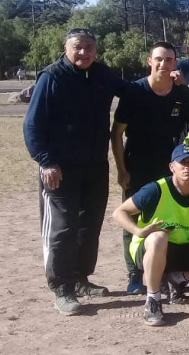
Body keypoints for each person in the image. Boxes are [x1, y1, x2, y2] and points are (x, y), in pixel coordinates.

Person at [24, 28, 130, 315]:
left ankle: (81, 279)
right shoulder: (52, 77)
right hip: (60, 169)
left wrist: (167, 80)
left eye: (89, 48)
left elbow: (131, 91)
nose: (83, 53)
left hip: (95, 167)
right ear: (66, 48)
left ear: (96, 50)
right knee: (63, 229)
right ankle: (62, 289)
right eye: (78, 47)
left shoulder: (102, 74)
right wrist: (46, 161)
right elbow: (32, 126)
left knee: (89, 225)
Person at [111, 41, 189, 293]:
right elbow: (116, 133)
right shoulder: (134, 91)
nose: (163, 64)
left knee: (166, 219)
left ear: (175, 63)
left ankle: (161, 270)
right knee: (133, 215)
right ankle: (134, 275)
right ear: (149, 61)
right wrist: (121, 169)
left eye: (169, 60)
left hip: (169, 166)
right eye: (158, 59)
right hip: (136, 165)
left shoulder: (182, 94)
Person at [112, 144, 189, 326]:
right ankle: (153, 299)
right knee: (159, 237)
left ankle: (178, 278)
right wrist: (138, 231)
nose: (187, 167)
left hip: (181, 249)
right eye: (183, 163)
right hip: (149, 249)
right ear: (172, 166)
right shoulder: (156, 189)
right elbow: (119, 212)